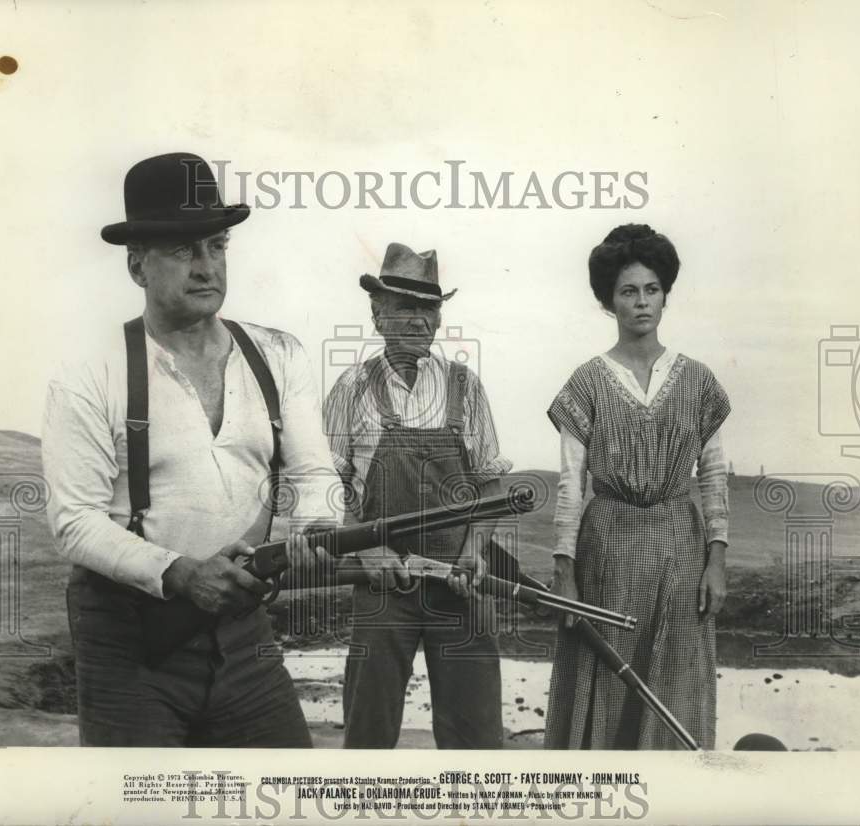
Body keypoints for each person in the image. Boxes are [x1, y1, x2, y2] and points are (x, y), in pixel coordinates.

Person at [41, 152, 341, 747]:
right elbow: (74, 521)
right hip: (129, 643)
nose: (206, 267)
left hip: (245, 632)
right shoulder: (89, 374)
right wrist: (177, 573)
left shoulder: (279, 356)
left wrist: (317, 526)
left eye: (217, 246)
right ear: (137, 266)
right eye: (183, 250)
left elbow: (313, 472)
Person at [544, 224, 731, 750]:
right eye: (628, 291)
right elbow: (570, 484)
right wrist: (565, 571)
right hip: (608, 557)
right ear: (610, 301)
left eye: (651, 289)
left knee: (674, 692)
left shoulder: (698, 381)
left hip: (679, 553)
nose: (642, 302)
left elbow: (714, 477)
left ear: (666, 294)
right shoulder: (587, 382)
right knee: (605, 685)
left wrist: (716, 560)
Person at [323, 242, 512, 748]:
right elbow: (327, 486)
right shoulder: (351, 389)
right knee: (368, 731)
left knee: (476, 741)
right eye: (405, 306)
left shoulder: (465, 387)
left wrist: (474, 552)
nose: (418, 320)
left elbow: (491, 486)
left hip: (460, 587)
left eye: (428, 307)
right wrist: (366, 546)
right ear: (377, 313)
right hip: (383, 586)